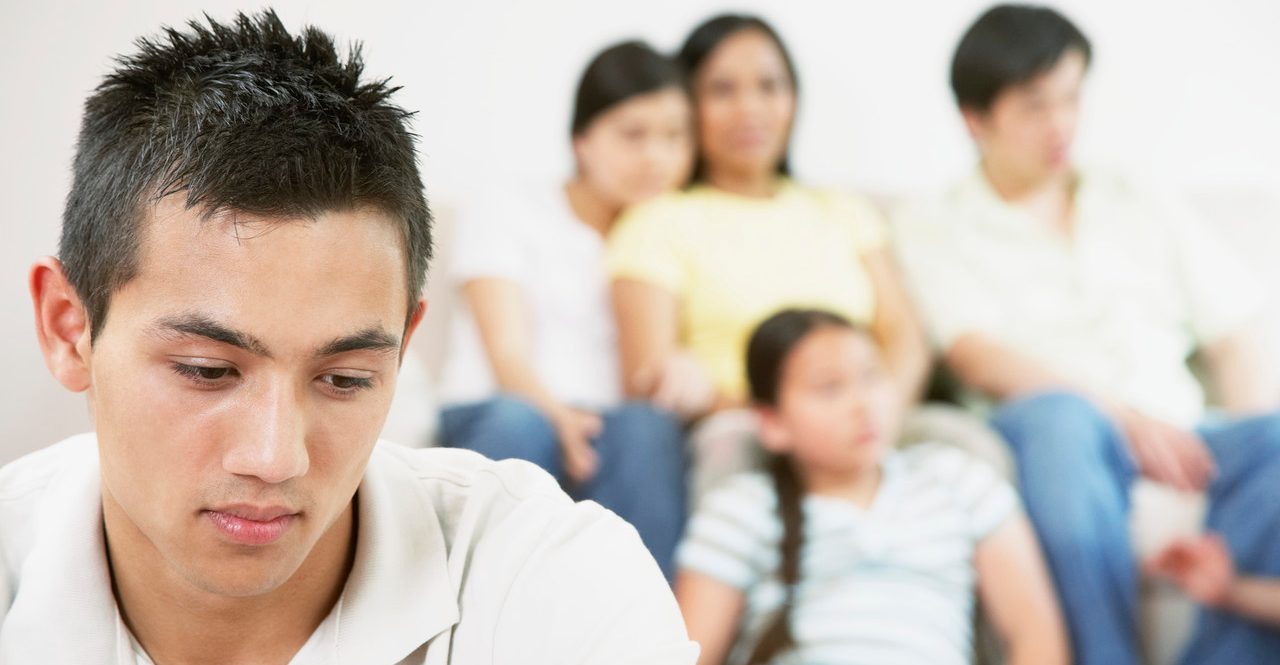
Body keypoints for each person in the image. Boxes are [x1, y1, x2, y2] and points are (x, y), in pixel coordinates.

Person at [0, 11, 697, 664]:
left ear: (403, 344)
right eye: (207, 369)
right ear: (70, 327)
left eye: (345, 379)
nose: (275, 457)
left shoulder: (554, 580)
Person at [892, 5, 1280, 663]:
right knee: (1061, 420)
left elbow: (1231, 332)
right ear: (975, 119)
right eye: (1035, 106)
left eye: (1071, 98)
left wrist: (1232, 462)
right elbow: (975, 354)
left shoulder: (1136, 194)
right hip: (1058, 435)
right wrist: (1123, 418)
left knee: (1275, 438)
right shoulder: (934, 222)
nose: (1061, 124)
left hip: (1181, 429)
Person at [606, 14, 937, 499]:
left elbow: (904, 337)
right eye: (722, 90)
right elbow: (650, 379)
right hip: (747, 427)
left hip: (873, 422)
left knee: (966, 447)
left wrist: (876, 417)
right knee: (734, 452)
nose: (750, 109)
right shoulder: (658, 221)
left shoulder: (844, 211)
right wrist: (797, 424)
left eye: (769, 86)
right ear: (688, 106)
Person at [675, 309, 1068, 665]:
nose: (862, 404)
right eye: (830, 388)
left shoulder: (959, 479)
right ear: (771, 422)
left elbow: (1034, 638)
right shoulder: (741, 509)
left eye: (871, 376)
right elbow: (687, 655)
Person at [437, 41, 692, 578]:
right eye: (633, 134)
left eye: (674, 136)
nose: (657, 157)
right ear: (582, 140)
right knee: (520, 423)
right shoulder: (509, 207)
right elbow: (505, 351)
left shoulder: (673, 235)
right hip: (502, 410)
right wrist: (560, 420)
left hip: (609, 430)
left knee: (647, 430)